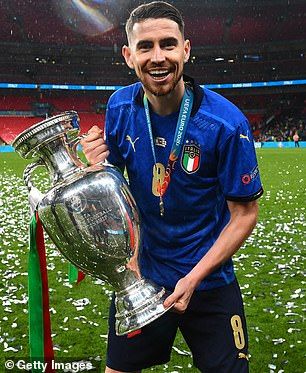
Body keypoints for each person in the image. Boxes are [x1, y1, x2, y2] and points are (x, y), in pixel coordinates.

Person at [81, 2, 263, 372]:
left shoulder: (226, 123)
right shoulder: (119, 106)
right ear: (129, 56)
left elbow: (244, 214)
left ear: (186, 49)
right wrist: (96, 164)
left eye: (168, 44)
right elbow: (115, 189)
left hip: (209, 280)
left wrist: (194, 277)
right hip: (142, 278)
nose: (158, 57)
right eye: (146, 47)